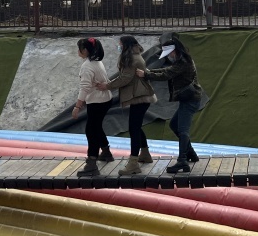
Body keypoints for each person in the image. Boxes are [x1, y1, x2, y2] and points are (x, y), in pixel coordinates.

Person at [135, 36, 203, 174]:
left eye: (169, 53)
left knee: (183, 130)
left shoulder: (183, 62)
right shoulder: (182, 60)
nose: (169, 56)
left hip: (190, 100)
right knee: (174, 125)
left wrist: (146, 75)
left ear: (174, 50)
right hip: (189, 99)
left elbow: (166, 74)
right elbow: (168, 70)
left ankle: (182, 160)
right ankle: (191, 153)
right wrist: (148, 72)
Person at [96, 35, 156, 176]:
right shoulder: (134, 56)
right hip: (140, 96)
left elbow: (125, 78)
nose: (119, 46)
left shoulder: (132, 59)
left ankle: (133, 163)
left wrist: (107, 86)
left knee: (133, 129)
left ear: (126, 45)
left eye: (121, 44)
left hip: (140, 96)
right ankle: (145, 153)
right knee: (136, 127)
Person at [72, 37, 112, 177]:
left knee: (91, 130)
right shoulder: (97, 62)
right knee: (96, 126)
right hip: (104, 99)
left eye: (79, 48)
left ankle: (91, 163)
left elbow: (85, 87)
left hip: (97, 101)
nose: (78, 51)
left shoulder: (87, 66)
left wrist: (77, 106)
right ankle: (106, 152)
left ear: (84, 50)